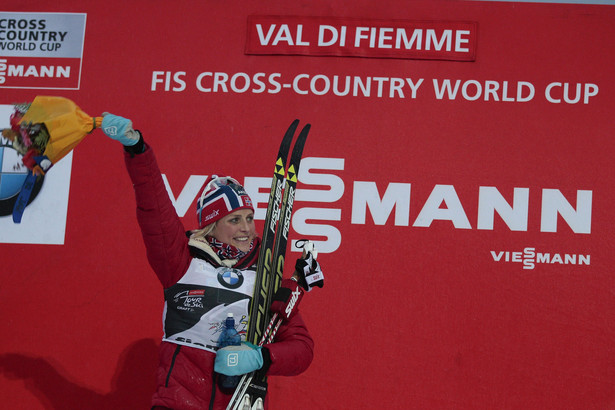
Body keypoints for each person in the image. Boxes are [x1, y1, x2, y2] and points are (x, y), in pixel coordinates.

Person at [101, 113, 323, 410]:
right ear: (211, 225)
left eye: (248, 218)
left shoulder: (266, 277)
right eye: (234, 220)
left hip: (240, 403)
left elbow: (301, 349)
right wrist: (137, 149)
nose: (246, 228)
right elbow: (154, 208)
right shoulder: (180, 262)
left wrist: (261, 357)